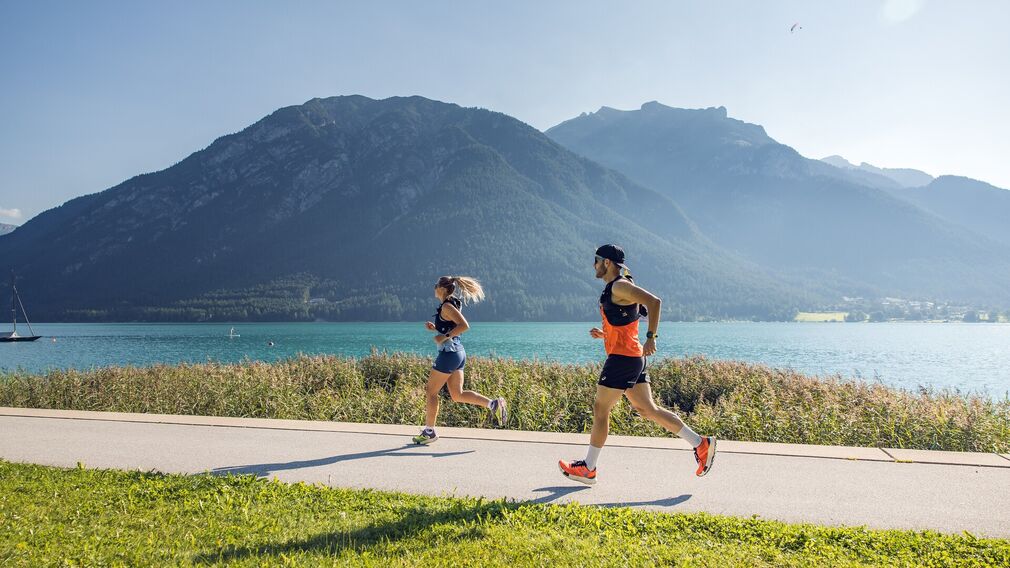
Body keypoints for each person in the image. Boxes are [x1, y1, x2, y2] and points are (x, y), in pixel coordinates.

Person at [559, 245, 715, 484]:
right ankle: (700, 444)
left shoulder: (621, 286)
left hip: (623, 359)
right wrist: (605, 334)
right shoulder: (617, 287)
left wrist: (651, 337)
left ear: (607, 263)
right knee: (648, 410)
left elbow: (654, 302)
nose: (593, 265)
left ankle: (588, 468)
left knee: (600, 409)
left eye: (596, 260)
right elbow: (627, 320)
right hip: (632, 358)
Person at [412, 276, 507, 445]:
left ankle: (429, 432)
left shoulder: (447, 306)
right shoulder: (449, 305)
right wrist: (436, 329)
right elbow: (452, 326)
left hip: (449, 355)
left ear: (442, 289)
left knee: (431, 391)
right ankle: (493, 404)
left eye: (435, 285)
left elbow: (464, 326)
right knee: (457, 395)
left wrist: (443, 336)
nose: (433, 288)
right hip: (457, 353)